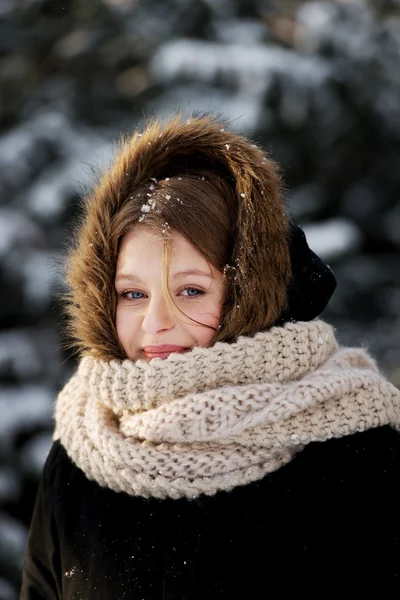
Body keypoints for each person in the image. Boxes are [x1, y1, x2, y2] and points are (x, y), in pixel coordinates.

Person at [20, 114, 400, 599]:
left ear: (248, 292)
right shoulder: (82, 449)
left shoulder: (355, 453)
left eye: (192, 290)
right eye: (132, 294)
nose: (156, 321)